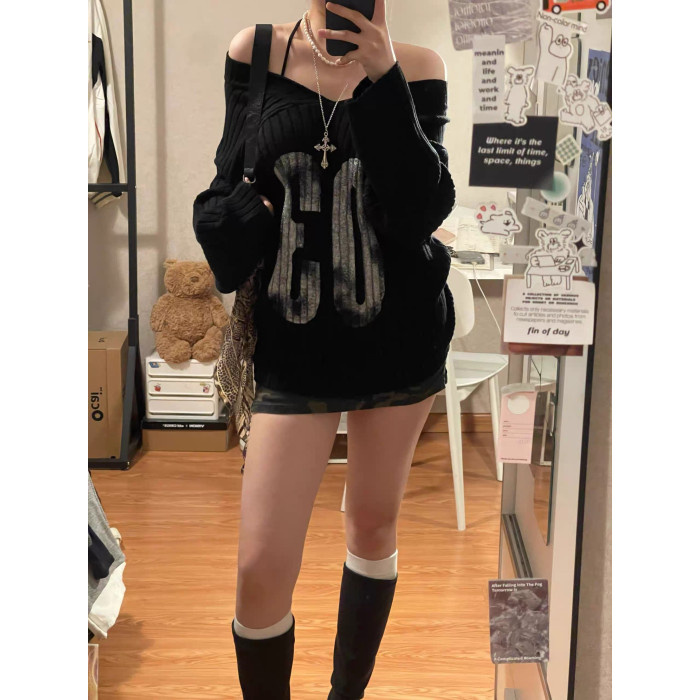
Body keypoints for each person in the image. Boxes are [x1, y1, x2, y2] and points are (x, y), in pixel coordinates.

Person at [192, 1, 456, 697]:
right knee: (259, 568)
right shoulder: (255, 52)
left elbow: (420, 212)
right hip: (293, 346)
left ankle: (347, 694)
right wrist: (244, 215)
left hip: (400, 343)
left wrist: (385, 77)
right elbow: (225, 183)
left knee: (371, 524)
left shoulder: (417, 68)